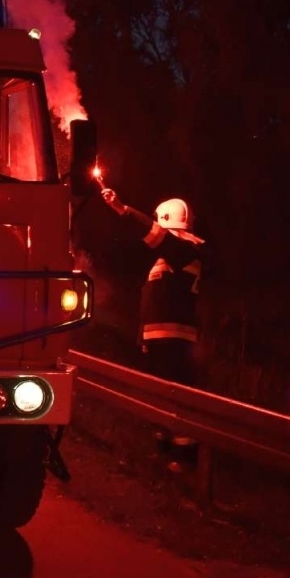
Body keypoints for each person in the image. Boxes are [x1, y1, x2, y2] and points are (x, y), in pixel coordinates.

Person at [102, 186, 206, 471]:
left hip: (175, 342)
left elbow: (154, 234)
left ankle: (184, 459)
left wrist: (122, 210)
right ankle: (164, 451)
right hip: (161, 340)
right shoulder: (172, 258)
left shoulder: (184, 251)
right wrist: (143, 336)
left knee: (176, 401)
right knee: (160, 399)